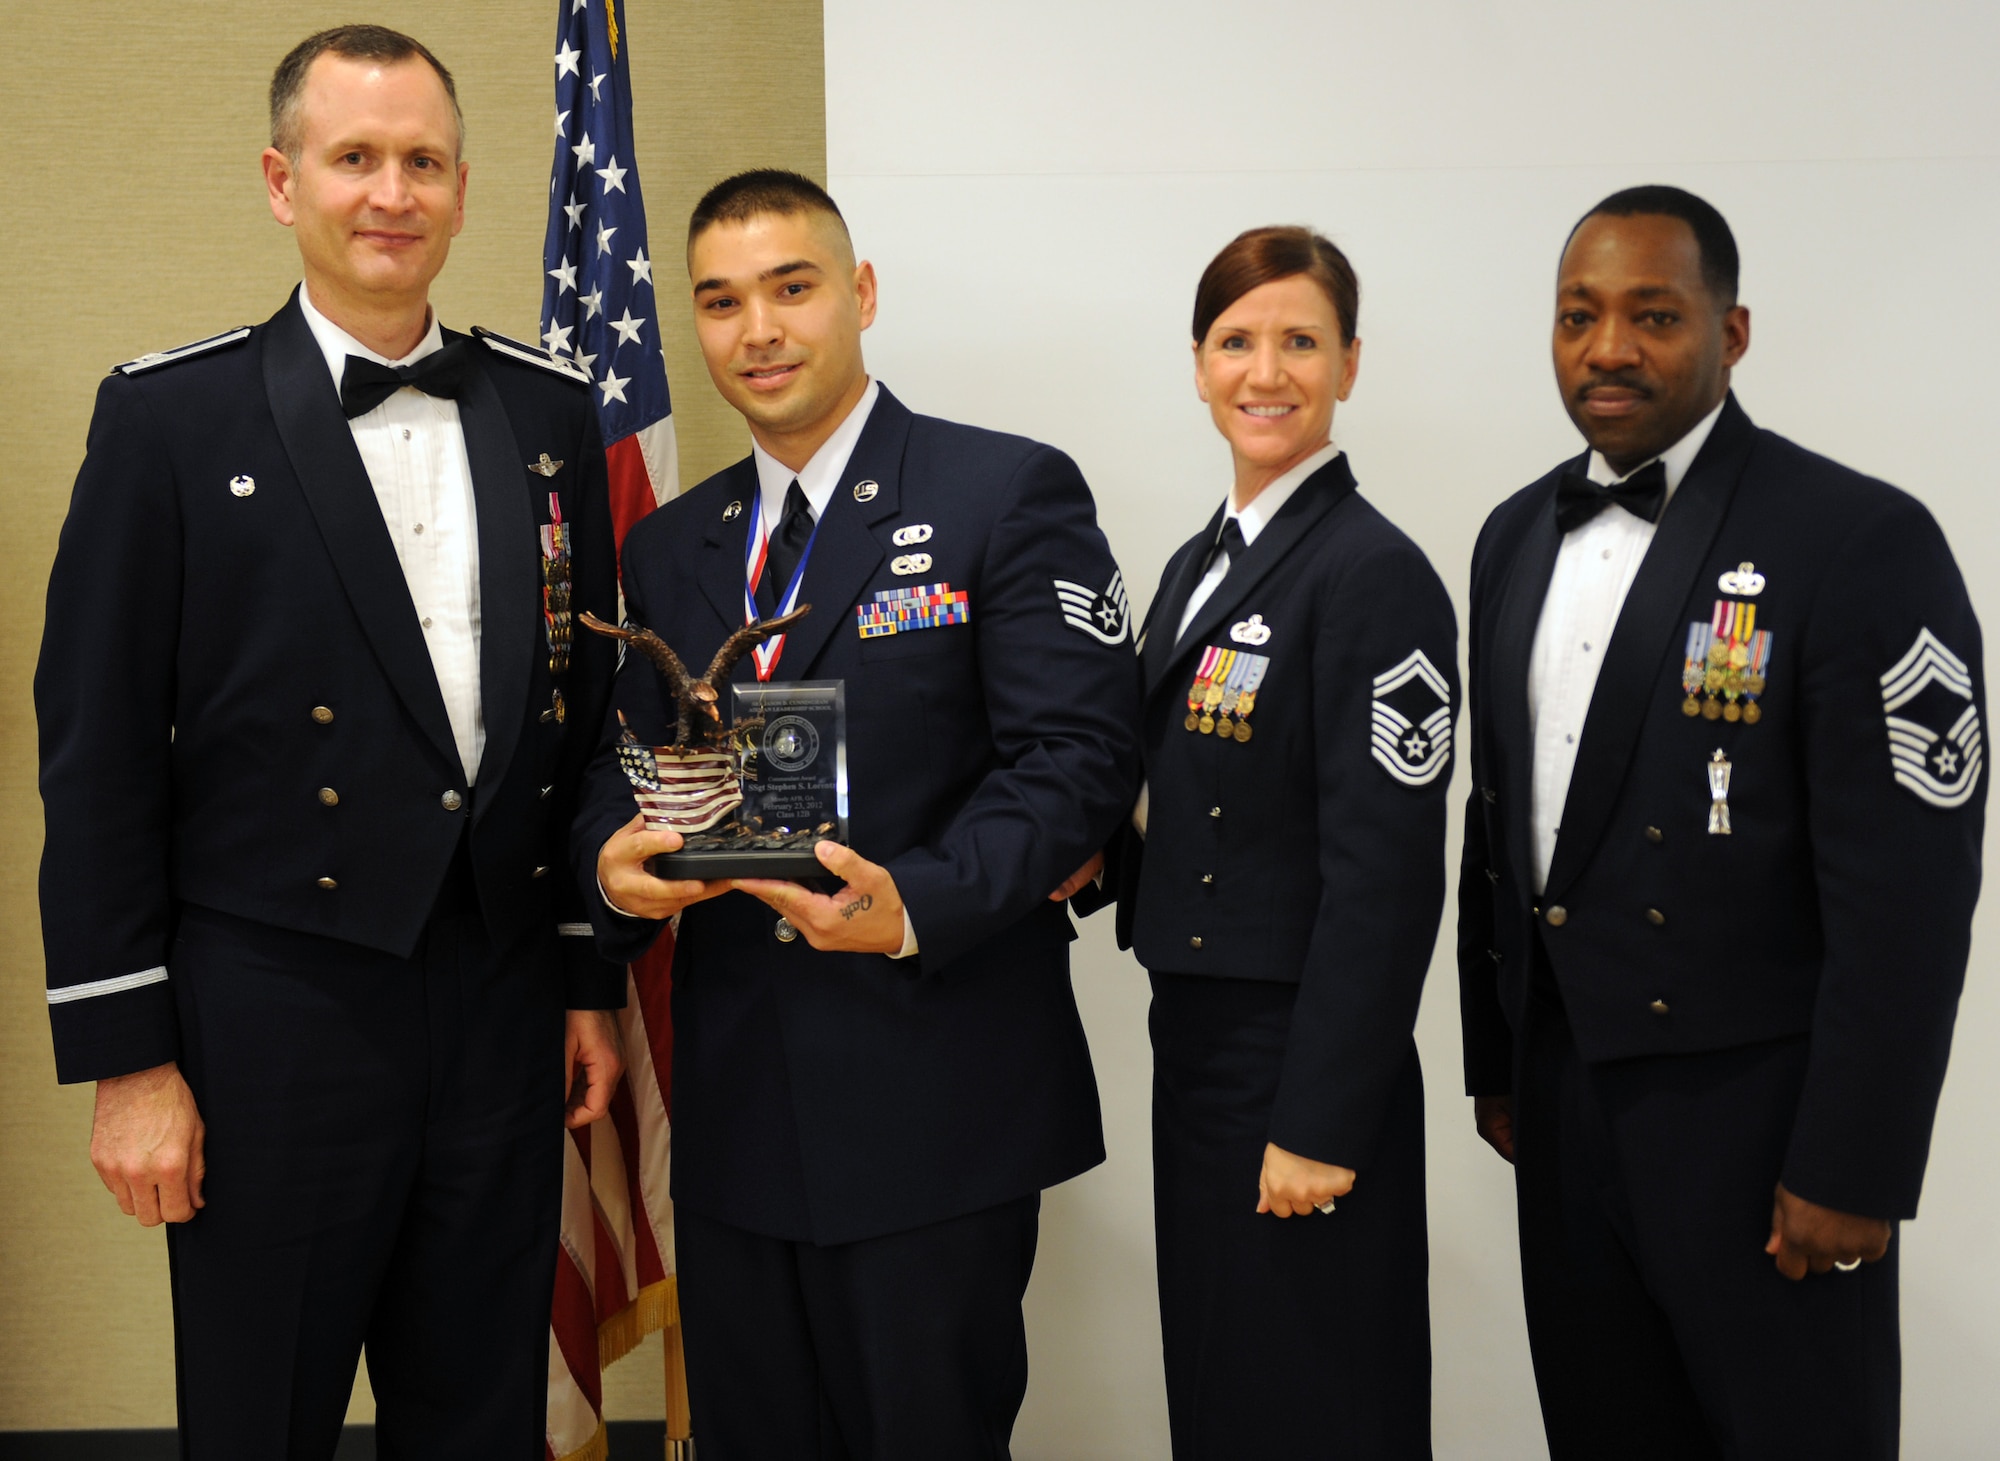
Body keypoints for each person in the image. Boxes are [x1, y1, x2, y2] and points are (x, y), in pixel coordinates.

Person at [35, 26, 626, 1458]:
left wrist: (583, 977)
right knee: (260, 1419)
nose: (390, 192)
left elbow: (581, 719)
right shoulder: (169, 418)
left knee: (480, 1417)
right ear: (279, 178)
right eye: (353, 157)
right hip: (269, 1017)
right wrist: (129, 1056)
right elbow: (97, 746)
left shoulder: (548, 413)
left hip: (492, 1006)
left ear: (465, 190)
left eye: (422, 161)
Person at [578, 169, 1141, 1460]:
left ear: (861, 293)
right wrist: (611, 872)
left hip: (933, 1099)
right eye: (721, 302)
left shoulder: (1001, 492)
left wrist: (913, 907)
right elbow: (621, 764)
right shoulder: (671, 546)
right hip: (733, 1116)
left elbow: (1077, 761)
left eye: (791, 288)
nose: (758, 330)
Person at [1457, 185, 1984, 1458]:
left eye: (1652, 315)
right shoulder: (1511, 535)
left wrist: (1853, 1163)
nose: (1607, 349)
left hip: (1763, 1127)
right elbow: (1499, 828)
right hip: (1566, 1104)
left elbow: (1908, 892)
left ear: (1729, 333)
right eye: (1578, 316)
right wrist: (1497, 1059)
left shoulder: (1856, 537)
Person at [1072, 226, 1453, 1456]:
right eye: (1236, 341)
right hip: (1198, 1042)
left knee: (1317, 1394)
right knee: (1228, 1387)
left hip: (1297, 1058)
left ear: (1349, 362)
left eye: (1299, 341)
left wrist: (1321, 1122)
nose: (1265, 371)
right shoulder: (1198, 563)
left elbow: (1384, 878)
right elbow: (1170, 789)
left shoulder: (1370, 573)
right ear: (1195, 365)